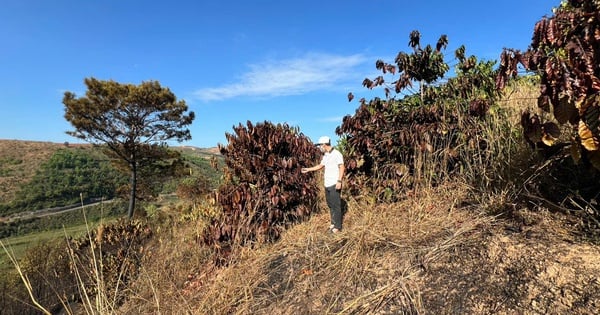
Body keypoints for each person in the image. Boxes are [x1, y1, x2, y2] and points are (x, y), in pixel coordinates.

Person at [301, 136, 345, 233]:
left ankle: (337, 227)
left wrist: (339, 181)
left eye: (320, 145)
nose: (319, 147)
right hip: (327, 184)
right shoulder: (326, 155)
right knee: (330, 205)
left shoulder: (337, 154)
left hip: (334, 183)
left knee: (336, 205)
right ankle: (333, 223)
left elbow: (342, 167)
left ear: (324, 144)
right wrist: (308, 169)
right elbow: (320, 166)